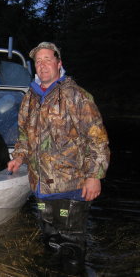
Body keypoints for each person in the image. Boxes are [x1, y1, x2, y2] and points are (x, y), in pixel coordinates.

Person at [7, 42, 110, 274]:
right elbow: (24, 135)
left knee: (71, 244)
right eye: (38, 61)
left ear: (59, 63)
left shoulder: (77, 96)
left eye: (48, 59)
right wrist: (19, 157)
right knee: (51, 240)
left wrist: (95, 176)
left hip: (72, 187)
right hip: (41, 186)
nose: (43, 65)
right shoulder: (30, 98)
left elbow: (98, 139)